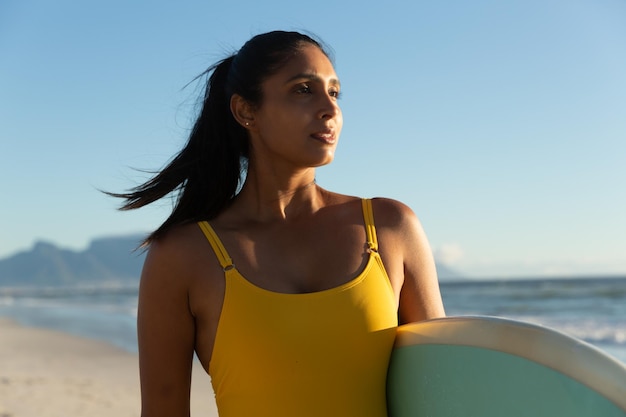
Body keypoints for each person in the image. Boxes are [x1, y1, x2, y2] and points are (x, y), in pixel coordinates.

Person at [112, 30, 445, 417]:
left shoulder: (389, 229)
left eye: (334, 93)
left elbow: (441, 387)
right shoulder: (184, 255)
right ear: (246, 111)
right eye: (304, 89)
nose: (330, 109)